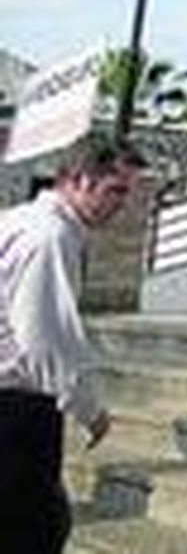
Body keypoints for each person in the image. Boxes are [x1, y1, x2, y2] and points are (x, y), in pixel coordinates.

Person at [1, 133, 146, 554]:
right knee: (33, 530)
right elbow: (45, 341)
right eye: (115, 190)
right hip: (15, 412)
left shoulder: (19, 220)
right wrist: (90, 411)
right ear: (80, 179)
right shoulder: (51, 237)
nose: (122, 205)